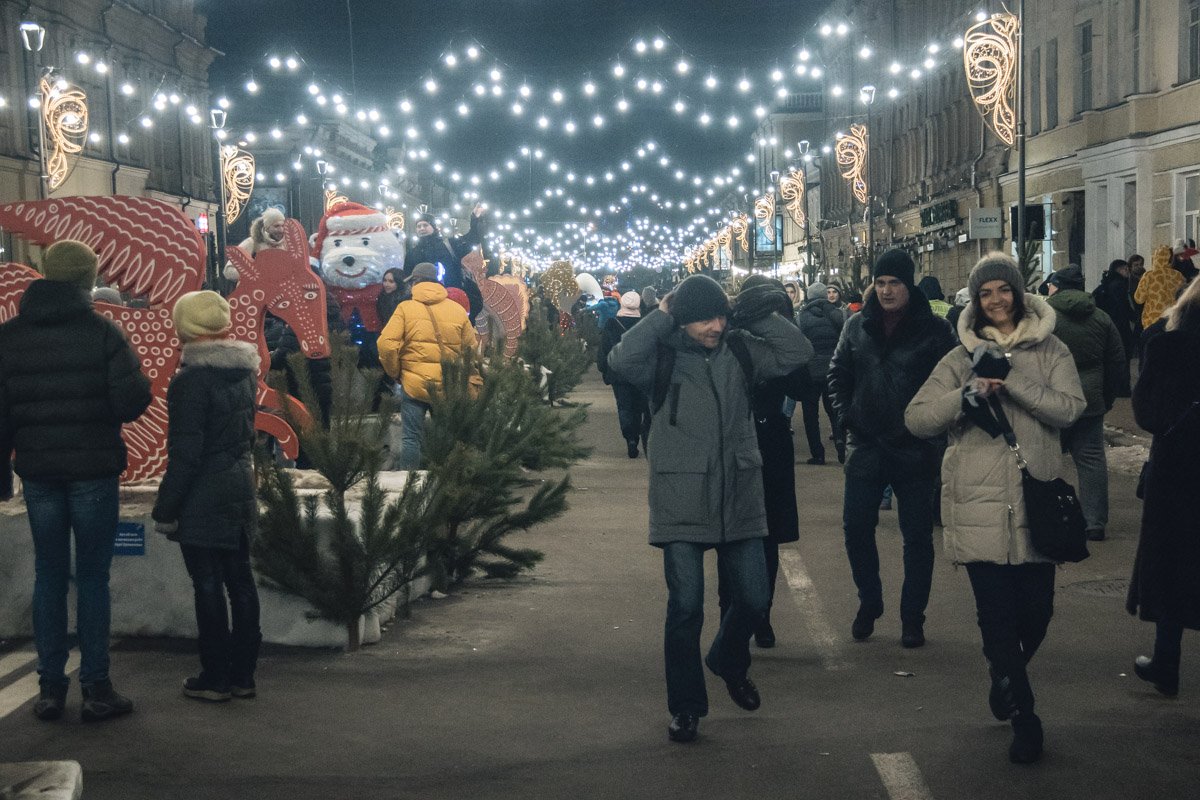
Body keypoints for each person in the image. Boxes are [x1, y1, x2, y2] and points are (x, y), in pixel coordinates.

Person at [606, 274, 810, 744]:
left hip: (739, 492)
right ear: (682, 318)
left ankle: (726, 657)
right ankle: (686, 708)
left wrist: (752, 312)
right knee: (686, 606)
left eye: (720, 315)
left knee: (756, 600)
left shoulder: (740, 351)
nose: (715, 326)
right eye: (704, 318)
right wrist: (662, 315)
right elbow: (620, 359)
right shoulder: (661, 354)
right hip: (680, 496)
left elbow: (796, 353)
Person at [906, 252, 1085, 765]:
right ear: (976, 302)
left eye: (1004, 290)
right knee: (997, 620)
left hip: (1036, 506)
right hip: (977, 508)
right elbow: (917, 418)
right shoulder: (959, 357)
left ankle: (1006, 677)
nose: (996, 300)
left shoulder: (1052, 350)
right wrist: (964, 397)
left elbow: (1070, 409)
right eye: (985, 293)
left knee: (1039, 614)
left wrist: (1014, 384)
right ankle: (1025, 715)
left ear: (1019, 293)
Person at [0, 239, 152, 722]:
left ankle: (49, 688)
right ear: (88, 279)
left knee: (48, 574)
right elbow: (131, 402)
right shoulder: (103, 333)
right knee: (92, 577)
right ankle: (96, 687)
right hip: (93, 470)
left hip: (39, 472)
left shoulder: (8, 337)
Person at [827, 250, 955, 648]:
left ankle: (912, 618)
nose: (886, 290)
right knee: (855, 529)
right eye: (880, 283)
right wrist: (847, 416)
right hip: (865, 444)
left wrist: (931, 431)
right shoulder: (856, 327)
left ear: (909, 285)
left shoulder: (934, 331)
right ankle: (870, 601)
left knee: (917, 537)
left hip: (915, 448)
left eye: (894, 283)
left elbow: (949, 385)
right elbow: (837, 376)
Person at [151, 291, 261, 703]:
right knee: (242, 583)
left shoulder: (190, 382)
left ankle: (214, 676)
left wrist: (166, 507)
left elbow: (186, 454)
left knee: (208, 585)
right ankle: (243, 676)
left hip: (202, 496)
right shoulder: (244, 373)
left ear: (185, 327)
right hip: (238, 488)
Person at [719, 276, 811, 649]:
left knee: (768, 536)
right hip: (734, 446)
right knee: (733, 535)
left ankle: (762, 614)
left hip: (771, 444)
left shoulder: (777, 341)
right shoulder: (731, 344)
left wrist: (769, 320)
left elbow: (803, 385)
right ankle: (732, 614)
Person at [1126, 277, 1200, 697]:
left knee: (1172, 565)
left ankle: (1166, 664)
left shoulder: (1165, 342)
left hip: (1177, 473)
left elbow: (1147, 413)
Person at [1045, 265, 1127, 541]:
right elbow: (1117, 359)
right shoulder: (1101, 317)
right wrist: (1107, 396)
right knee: (1091, 461)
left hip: (1051, 398)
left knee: (1042, 456)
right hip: (1089, 398)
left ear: (1056, 286)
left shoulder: (1045, 317)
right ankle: (1094, 523)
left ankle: (1043, 516)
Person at [377, 262, 477, 469]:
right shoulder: (457, 310)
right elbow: (471, 351)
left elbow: (386, 345)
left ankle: (410, 487)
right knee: (445, 437)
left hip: (413, 383)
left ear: (415, 282)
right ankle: (444, 482)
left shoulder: (405, 308)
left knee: (411, 438)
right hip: (447, 384)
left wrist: (395, 371)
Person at [403, 206, 486, 320]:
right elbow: (407, 276)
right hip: (422, 301)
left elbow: (472, 239)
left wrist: (475, 218)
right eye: (419, 226)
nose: (422, 228)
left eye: (425, 225)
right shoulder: (412, 253)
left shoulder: (449, 245)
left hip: (450, 297)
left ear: (434, 227)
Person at [597, 291, 651, 458]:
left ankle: (630, 438)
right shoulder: (645, 324)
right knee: (640, 407)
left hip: (618, 374)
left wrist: (604, 368)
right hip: (640, 374)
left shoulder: (612, 324)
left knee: (624, 406)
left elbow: (604, 350)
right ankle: (639, 432)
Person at [797, 281, 846, 464]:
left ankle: (817, 453)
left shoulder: (803, 317)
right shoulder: (837, 314)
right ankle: (841, 443)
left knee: (811, 414)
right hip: (833, 369)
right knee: (834, 409)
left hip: (810, 371)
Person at [1094, 259, 1136, 377]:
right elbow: (1124, 305)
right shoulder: (1120, 284)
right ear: (1119, 270)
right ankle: (1123, 386)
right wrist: (1133, 317)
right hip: (1121, 324)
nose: (1128, 272)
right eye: (1126, 269)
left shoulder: (1107, 283)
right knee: (1124, 354)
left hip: (1108, 322)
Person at [1135, 246, 1185, 331]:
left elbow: (1139, 299)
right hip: (1172, 319)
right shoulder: (1178, 275)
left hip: (1152, 321)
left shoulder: (1149, 275)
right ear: (1170, 259)